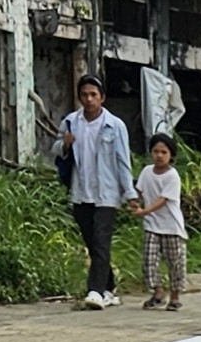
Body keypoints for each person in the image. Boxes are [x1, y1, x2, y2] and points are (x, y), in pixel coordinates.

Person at [52, 74, 139, 310]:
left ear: (102, 98)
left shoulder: (115, 125)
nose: (89, 99)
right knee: (92, 243)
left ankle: (95, 291)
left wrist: (130, 194)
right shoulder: (71, 122)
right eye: (84, 95)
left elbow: (123, 160)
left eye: (93, 95)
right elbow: (56, 148)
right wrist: (66, 144)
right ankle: (109, 288)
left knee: (101, 241)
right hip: (81, 191)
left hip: (107, 194)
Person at [133, 133, 188, 311]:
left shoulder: (172, 176)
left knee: (175, 263)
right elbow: (139, 191)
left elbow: (162, 200)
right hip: (152, 226)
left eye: (163, 152)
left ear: (171, 155)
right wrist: (133, 201)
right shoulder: (146, 172)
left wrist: (144, 211)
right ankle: (157, 292)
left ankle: (175, 296)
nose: (159, 155)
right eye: (156, 151)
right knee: (149, 261)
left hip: (171, 227)